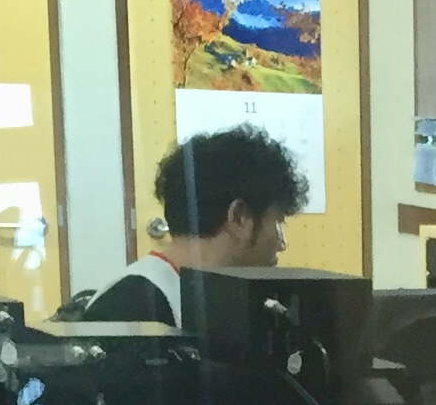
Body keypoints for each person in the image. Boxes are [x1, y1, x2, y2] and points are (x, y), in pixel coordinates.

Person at [72, 124, 308, 324]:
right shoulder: (129, 307)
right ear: (239, 217)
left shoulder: (210, 297)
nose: (282, 243)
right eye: (278, 221)